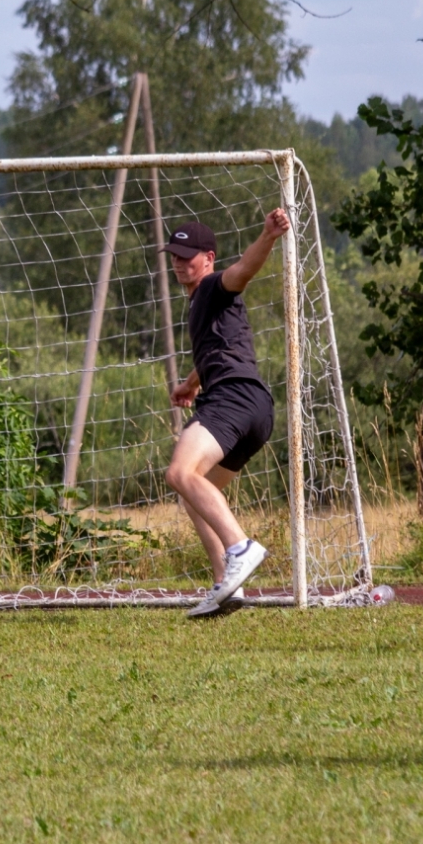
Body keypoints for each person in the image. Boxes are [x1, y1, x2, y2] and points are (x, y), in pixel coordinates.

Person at [162, 212, 290, 618]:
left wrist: (268, 236)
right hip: (254, 410)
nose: (180, 262)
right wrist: (191, 383)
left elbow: (244, 270)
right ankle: (225, 587)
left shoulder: (216, 287)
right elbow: (215, 349)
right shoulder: (199, 303)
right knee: (194, 494)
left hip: (233, 400)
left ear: (209, 258)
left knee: (179, 473)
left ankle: (241, 547)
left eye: (188, 256)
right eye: (175, 256)